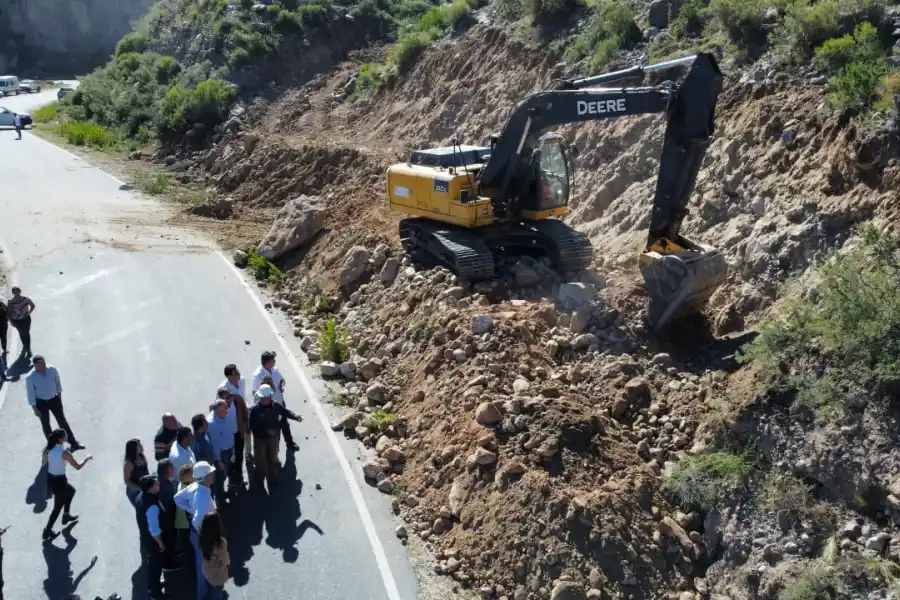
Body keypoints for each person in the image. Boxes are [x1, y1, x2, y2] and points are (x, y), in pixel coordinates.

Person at [174, 462, 217, 600]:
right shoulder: (204, 500)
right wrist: (204, 534)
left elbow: (177, 498)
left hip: (196, 534)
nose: (213, 475)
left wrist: (190, 509)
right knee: (204, 567)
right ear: (205, 477)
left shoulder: (194, 486)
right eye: (210, 473)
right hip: (203, 536)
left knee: (202, 565)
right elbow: (197, 520)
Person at [42, 429, 92, 541]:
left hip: (51, 479)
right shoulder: (64, 452)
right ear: (60, 439)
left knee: (71, 491)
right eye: (65, 436)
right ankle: (47, 531)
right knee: (57, 507)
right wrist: (86, 459)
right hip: (60, 481)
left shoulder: (49, 449)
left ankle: (66, 515)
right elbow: (77, 466)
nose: (66, 437)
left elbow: (44, 463)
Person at [249, 384, 301, 491]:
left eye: (267, 398)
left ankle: (272, 481)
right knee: (260, 462)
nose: (265, 400)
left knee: (272, 459)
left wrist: (296, 416)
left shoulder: (276, 406)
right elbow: (252, 427)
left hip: (273, 438)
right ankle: (258, 483)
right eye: (263, 398)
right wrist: (265, 431)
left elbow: (285, 412)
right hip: (260, 440)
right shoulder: (254, 410)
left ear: (270, 397)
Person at [26, 356, 83, 450]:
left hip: (54, 399)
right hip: (41, 402)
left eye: (44, 362)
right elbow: (31, 394)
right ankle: (53, 447)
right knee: (46, 425)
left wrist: (59, 397)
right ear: (35, 365)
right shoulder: (31, 378)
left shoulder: (52, 370)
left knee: (62, 422)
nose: (44, 365)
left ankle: (72, 443)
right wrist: (34, 409)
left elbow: (57, 383)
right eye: (41, 364)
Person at [251, 351, 299, 452]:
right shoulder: (258, 375)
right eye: (273, 360)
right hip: (268, 405)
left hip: (279, 400)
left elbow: (282, 380)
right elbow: (255, 393)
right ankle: (274, 452)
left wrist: (281, 385)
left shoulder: (275, 370)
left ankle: (290, 443)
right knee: (274, 430)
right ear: (268, 362)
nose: (275, 361)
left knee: (284, 423)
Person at [136, 475, 168, 599]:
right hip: (153, 541)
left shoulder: (141, 497)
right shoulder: (152, 506)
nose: (158, 483)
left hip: (146, 537)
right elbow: (154, 529)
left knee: (153, 564)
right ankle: (155, 593)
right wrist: (160, 543)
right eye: (156, 483)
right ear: (150, 489)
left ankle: (153, 586)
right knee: (156, 565)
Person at [220, 364, 249, 480]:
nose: (238, 374)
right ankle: (231, 478)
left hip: (240, 424)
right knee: (230, 455)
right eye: (235, 373)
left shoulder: (242, 381)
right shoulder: (223, 389)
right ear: (229, 376)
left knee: (239, 453)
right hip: (230, 428)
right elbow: (217, 408)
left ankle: (239, 476)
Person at [207, 400, 234, 501]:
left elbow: (230, 432)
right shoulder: (212, 424)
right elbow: (215, 445)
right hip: (221, 454)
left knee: (225, 473)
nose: (226, 412)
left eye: (226, 409)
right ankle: (219, 499)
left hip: (229, 450)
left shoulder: (226, 416)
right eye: (223, 411)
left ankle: (221, 493)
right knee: (220, 477)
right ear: (216, 412)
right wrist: (218, 461)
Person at [198, 511, 230, 600]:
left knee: (209, 586)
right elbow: (225, 561)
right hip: (218, 575)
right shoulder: (220, 543)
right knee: (216, 594)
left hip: (206, 570)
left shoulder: (201, 538)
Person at [173, 465, 194, 567]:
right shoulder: (188, 490)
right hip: (185, 523)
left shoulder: (182, 484)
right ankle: (191, 565)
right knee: (189, 545)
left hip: (181, 522)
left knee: (186, 544)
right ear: (186, 476)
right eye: (192, 474)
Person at [7, 286, 34, 356]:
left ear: (20, 291)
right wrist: (11, 322)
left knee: (27, 333)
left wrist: (29, 312)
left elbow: (32, 305)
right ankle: (25, 346)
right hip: (17, 321)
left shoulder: (26, 299)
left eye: (17, 291)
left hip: (26, 319)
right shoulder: (11, 302)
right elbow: (9, 313)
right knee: (22, 334)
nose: (16, 293)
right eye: (14, 291)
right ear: (13, 293)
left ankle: (28, 349)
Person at [123, 439, 149, 509]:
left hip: (145, 487)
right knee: (142, 508)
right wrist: (141, 489)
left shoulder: (142, 457)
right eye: (139, 445)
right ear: (133, 448)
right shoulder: (129, 463)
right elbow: (126, 481)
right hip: (134, 491)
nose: (141, 446)